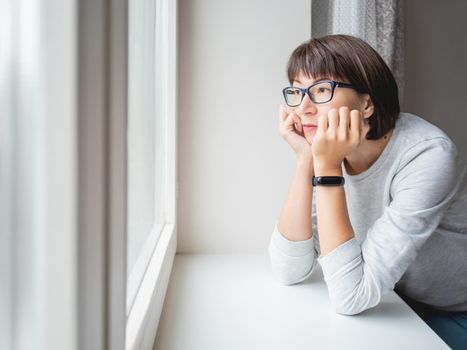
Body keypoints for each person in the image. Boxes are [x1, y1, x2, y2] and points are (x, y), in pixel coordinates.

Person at [268, 34, 467, 350]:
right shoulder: (328, 152)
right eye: (297, 91)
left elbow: (351, 296)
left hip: (454, 310)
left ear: (367, 102)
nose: (304, 108)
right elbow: (288, 269)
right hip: (396, 303)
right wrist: (306, 159)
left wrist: (328, 167)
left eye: (321, 90)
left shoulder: (429, 154)